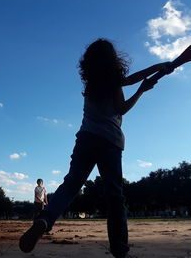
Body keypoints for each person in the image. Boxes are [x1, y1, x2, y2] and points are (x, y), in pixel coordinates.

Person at [19, 38, 174, 258]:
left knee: (71, 184)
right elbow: (123, 106)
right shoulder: (113, 82)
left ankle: (45, 219)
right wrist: (142, 89)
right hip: (109, 142)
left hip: (85, 139)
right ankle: (119, 250)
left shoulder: (92, 83)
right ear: (113, 59)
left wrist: (155, 69)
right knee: (115, 197)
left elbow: (128, 80)